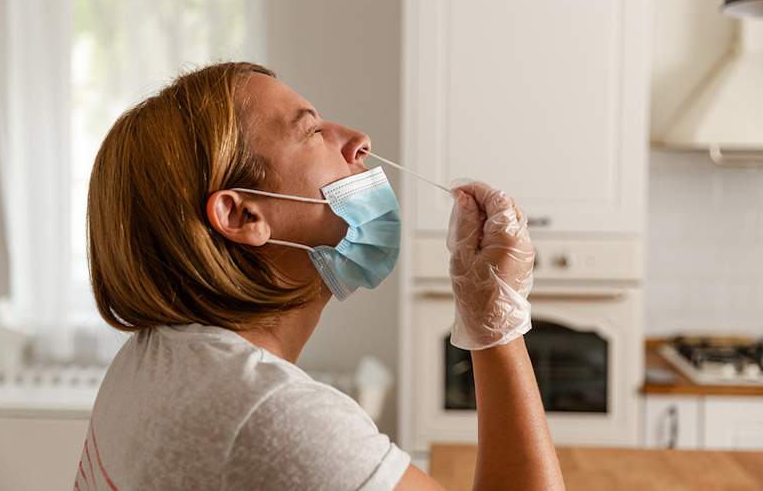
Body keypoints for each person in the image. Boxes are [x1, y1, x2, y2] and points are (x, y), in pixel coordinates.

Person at [74, 61, 564, 490]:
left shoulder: (151, 358)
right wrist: (498, 328)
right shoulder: (273, 416)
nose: (358, 141)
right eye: (311, 132)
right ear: (243, 216)